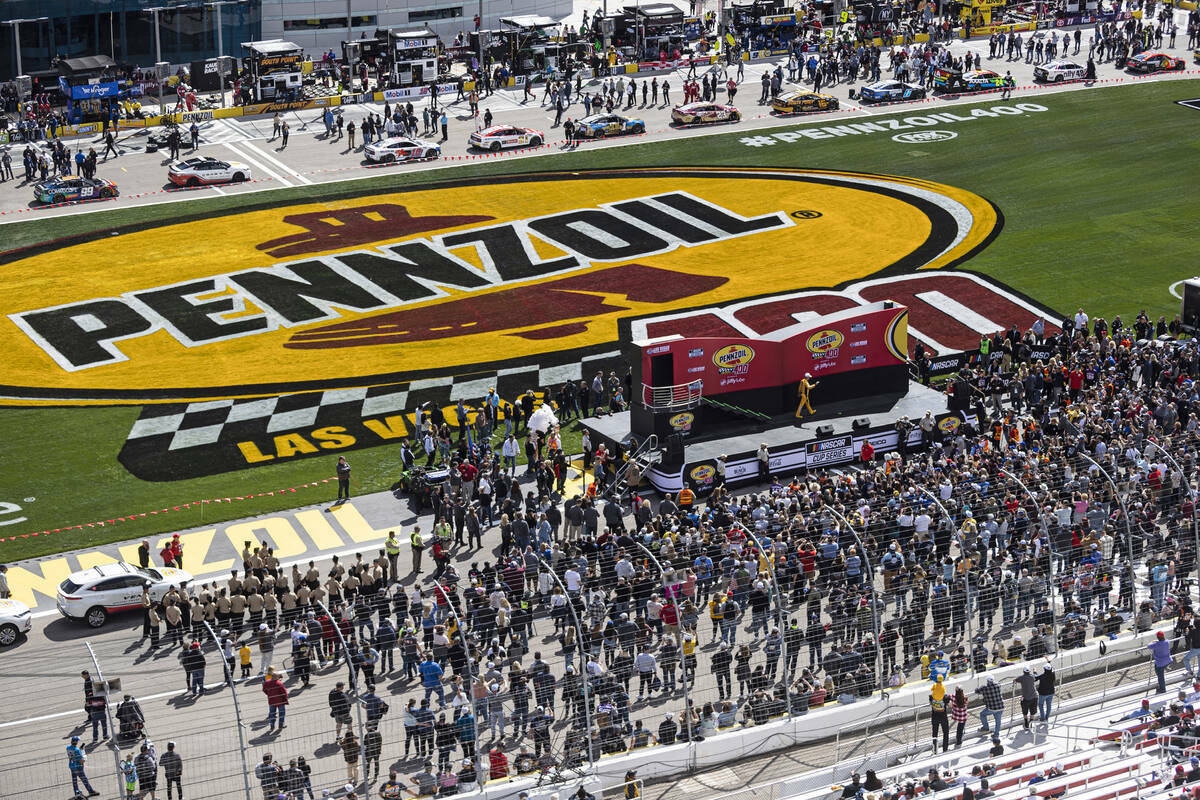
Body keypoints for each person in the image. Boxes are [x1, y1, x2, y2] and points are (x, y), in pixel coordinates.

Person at [929, 675, 950, 751]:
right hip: (943, 716)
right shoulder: (945, 697)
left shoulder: (931, 697)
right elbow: (949, 705)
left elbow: (931, 702)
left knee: (934, 734)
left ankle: (935, 750)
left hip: (934, 716)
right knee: (945, 733)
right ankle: (945, 749)